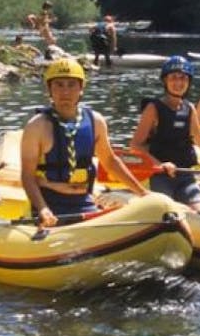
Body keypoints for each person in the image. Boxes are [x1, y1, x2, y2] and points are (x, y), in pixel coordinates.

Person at [20, 58, 148, 227]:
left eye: (71, 84)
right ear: (49, 89)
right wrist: (43, 209)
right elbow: (27, 176)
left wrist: (143, 193)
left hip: (84, 200)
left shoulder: (96, 121)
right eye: (59, 84)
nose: (65, 91)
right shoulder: (36, 126)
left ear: (81, 88)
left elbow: (110, 161)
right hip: (51, 202)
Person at [129, 56, 200, 212]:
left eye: (183, 78)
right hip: (160, 176)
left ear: (188, 82)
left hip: (185, 176)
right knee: (166, 212)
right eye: (173, 77)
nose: (178, 82)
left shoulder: (190, 108)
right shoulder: (153, 108)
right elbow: (135, 145)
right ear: (165, 81)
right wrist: (160, 164)